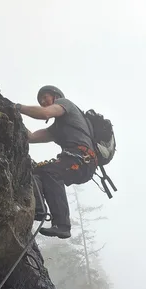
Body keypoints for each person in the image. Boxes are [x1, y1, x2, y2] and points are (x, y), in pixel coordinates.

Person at [14, 86, 97, 239]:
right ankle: (38, 209)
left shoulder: (66, 104)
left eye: (45, 97)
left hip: (83, 160)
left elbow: (44, 113)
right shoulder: (57, 128)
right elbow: (31, 137)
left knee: (50, 171)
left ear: (56, 96)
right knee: (34, 171)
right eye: (40, 101)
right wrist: (15, 118)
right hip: (75, 162)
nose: (43, 102)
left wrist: (17, 107)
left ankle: (62, 225)